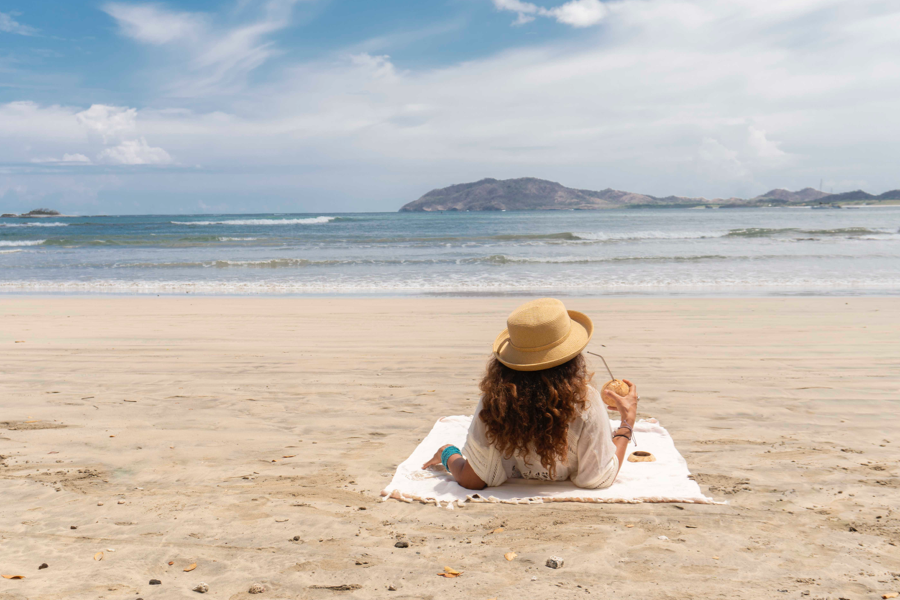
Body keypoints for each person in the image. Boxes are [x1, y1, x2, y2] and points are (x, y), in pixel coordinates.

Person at [423, 298, 639, 490]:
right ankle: (446, 449)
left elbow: (473, 479)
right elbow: (597, 479)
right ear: (572, 357)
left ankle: (446, 450)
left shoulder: (495, 399)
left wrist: (451, 459)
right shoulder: (585, 400)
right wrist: (627, 422)